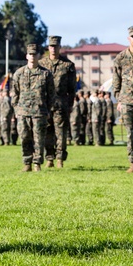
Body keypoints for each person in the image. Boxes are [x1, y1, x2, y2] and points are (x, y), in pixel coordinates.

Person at [11, 44, 55, 171]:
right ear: (26, 56)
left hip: (39, 112)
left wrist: (47, 110)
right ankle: (27, 162)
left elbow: (51, 95)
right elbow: (15, 93)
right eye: (30, 54)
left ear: (39, 56)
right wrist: (16, 110)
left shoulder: (46, 74)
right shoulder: (19, 73)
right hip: (23, 112)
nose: (32, 56)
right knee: (24, 137)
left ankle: (37, 163)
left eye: (35, 54)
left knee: (38, 139)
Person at [40, 35, 76, 168]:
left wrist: (70, 104)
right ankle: (49, 158)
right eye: (51, 46)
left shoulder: (68, 65)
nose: (53, 49)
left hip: (61, 103)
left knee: (61, 132)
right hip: (45, 104)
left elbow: (72, 89)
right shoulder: (42, 64)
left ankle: (60, 158)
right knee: (47, 131)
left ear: (60, 47)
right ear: (48, 48)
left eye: (56, 46)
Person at [113, 26, 133, 172]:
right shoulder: (120, 58)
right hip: (126, 100)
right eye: (132, 36)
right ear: (128, 38)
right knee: (131, 133)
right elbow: (116, 80)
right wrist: (118, 99)